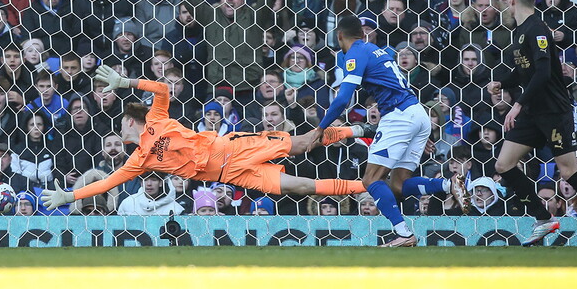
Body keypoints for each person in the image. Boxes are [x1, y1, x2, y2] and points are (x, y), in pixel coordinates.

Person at [39, 65, 369, 211]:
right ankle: (370, 186)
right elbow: (106, 184)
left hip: (234, 146)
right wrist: (70, 197)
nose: (119, 132)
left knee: (301, 144)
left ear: (130, 120)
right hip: (233, 174)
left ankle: (357, 130)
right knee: (302, 186)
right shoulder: (139, 160)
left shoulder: (156, 117)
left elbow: (162, 88)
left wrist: (125, 82)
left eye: (121, 125)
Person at [310, 15, 470, 247]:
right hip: (416, 113)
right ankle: (448, 184)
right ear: (362, 33)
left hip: (399, 117)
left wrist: (321, 126)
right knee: (396, 185)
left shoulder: (355, 53)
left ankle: (404, 233)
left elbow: (344, 97)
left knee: (370, 179)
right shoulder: (374, 49)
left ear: (339, 35)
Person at [487, 0, 577, 248]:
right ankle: (542, 217)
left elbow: (544, 72)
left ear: (512, 0)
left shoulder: (537, 29)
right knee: (503, 165)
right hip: (534, 110)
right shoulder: (521, 30)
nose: (501, 3)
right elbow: (527, 71)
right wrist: (504, 83)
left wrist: (518, 103)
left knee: (569, 170)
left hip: (553, 111)